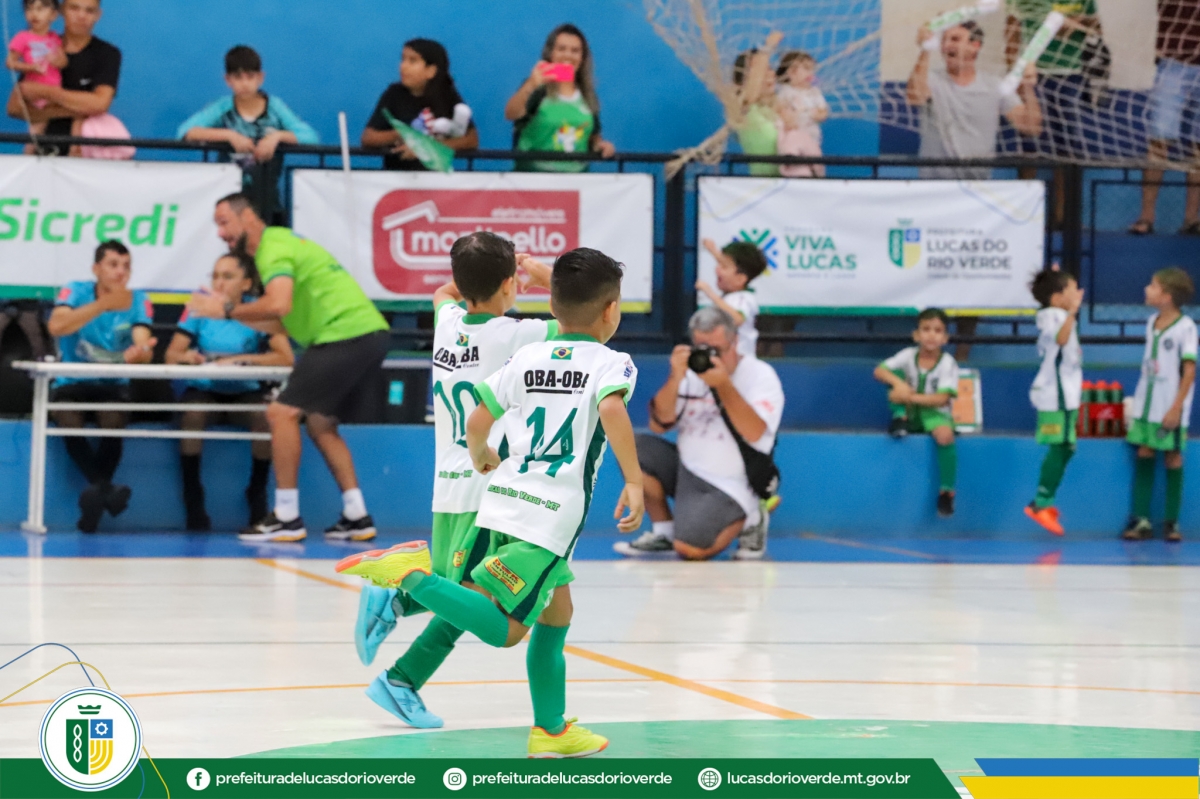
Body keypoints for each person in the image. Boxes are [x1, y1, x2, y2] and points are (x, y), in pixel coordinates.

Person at [337, 247, 642, 759]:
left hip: (494, 496)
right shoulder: (597, 358)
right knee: (506, 629)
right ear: (612, 310)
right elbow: (608, 401)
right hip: (545, 517)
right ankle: (409, 580)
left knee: (556, 612)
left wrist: (481, 452)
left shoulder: (513, 352)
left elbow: (479, 414)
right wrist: (634, 479)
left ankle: (551, 729)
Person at [349, 233, 559, 728]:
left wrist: (481, 277)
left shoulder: (448, 324)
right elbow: (583, 322)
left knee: (466, 592)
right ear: (509, 284)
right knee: (478, 598)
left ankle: (402, 674)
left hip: (448, 483)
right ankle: (397, 606)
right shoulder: (517, 334)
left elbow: (443, 293)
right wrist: (542, 274)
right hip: (488, 484)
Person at [186, 193, 390, 544]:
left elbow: (278, 304)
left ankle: (286, 516)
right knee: (320, 423)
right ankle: (357, 515)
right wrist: (227, 314)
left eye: (224, 222)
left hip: (343, 334)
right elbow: (282, 321)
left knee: (280, 413)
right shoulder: (281, 245)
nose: (220, 233)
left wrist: (227, 310)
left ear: (248, 217)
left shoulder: (271, 249)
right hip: (369, 335)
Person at [617, 306, 784, 560]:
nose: (709, 356)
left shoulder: (760, 375)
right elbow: (659, 424)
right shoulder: (692, 372)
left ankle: (752, 515)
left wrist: (724, 385)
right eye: (702, 348)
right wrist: (675, 378)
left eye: (716, 349)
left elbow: (756, 433)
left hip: (732, 482)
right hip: (687, 471)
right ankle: (664, 532)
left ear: (735, 342)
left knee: (691, 550)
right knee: (632, 448)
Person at [165, 251, 293, 531]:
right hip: (205, 389)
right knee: (192, 416)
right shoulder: (199, 307)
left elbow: (285, 357)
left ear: (246, 283)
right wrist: (188, 357)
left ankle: (256, 491)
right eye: (215, 276)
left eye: (228, 276)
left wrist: (241, 361)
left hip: (245, 391)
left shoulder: (257, 311)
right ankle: (192, 494)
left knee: (264, 419)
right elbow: (171, 354)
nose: (219, 283)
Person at [46, 240, 155, 533]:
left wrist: (141, 352)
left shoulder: (138, 299)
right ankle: (106, 490)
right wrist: (102, 305)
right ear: (96, 269)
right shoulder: (76, 290)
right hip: (73, 380)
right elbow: (57, 326)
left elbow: (143, 343)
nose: (121, 272)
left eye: (126, 266)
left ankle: (96, 498)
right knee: (66, 416)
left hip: (113, 383)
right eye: (113, 265)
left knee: (113, 418)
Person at [178, 46, 318, 221]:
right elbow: (185, 132)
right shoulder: (222, 107)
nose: (244, 83)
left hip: (268, 202)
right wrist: (229, 136)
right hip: (230, 203)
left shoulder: (275, 107)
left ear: (261, 78)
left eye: (250, 77)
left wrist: (277, 137)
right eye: (238, 77)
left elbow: (310, 137)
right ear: (227, 80)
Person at [908, 21, 1041, 179]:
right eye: (944, 40)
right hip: (934, 184)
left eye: (955, 39)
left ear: (975, 46)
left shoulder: (994, 86)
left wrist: (1027, 87)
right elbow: (914, 97)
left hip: (978, 184)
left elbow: (1031, 127)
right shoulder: (932, 79)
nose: (947, 45)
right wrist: (925, 49)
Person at [1122, 268, 1196, 542]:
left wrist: (1176, 407)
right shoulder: (1151, 321)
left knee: (1172, 456)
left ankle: (1171, 522)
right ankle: (1141, 519)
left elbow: (1189, 370)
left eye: (1153, 286)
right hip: (1146, 405)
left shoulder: (1186, 327)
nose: (1146, 289)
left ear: (1167, 296)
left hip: (1169, 406)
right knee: (1145, 451)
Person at [873, 308, 960, 517]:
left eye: (938, 331)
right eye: (926, 329)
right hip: (910, 411)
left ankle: (946, 492)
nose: (931, 335)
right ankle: (900, 418)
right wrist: (899, 385)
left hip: (935, 413)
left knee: (945, 436)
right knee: (893, 375)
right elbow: (879, 370)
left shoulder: (948, 363)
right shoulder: (908, 355)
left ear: (945, 338)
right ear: (916, 335)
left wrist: (907, 396)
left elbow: (941, 399)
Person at [6, 0, 120, 157]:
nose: (81, 16)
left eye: (89, 11)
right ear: (61, 11)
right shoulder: (41, 45)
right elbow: (15, 108)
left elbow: (100, 104)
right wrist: (79, 111)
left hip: (86, 158)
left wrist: (46, 93)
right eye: (74, 8)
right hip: (42, 154)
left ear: (98, 15)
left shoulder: (107, 53)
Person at [1128, 1, 1200, 236]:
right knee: (1159, 140)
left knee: (1198, 146)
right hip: (1173, 62)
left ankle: (1192, 219)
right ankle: (1146, 217)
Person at [505, 24, 615, 172]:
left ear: (583, 57)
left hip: (576, 180)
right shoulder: (537, 88)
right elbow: (510, 114)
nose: (568, 55)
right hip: (533, 178)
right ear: (550, 53)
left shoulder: (588, 95)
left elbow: (592, 136)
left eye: (575, 51)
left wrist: (600, 146)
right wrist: (531, 84)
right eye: (561, 49)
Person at [1024, 269, 1084, 536]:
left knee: (1067, 447)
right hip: (1055, 395)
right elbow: (1060, 339)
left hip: (1066, 393)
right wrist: (1072, 312)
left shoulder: (1058, 314)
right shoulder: (1053, 315)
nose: (1077, 293)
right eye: (1072, 289)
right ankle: (1040, 503)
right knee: (1060, 446)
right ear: (1058, 297)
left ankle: (1045, 500)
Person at [1007, 0, 1101, 164]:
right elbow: (1012, 30)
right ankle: (1028, 181)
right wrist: (1014, 74)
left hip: (1071, 75)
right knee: (1031, 141)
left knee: (1068, 141)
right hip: (1034, 73)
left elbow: (1097, 26)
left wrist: (1077, 22)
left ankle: (1064, 181)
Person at [362, 38, 478, 171]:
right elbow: (368, 138)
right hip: (396, 176)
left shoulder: (447, 95)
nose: (403, 66)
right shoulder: (393, 94)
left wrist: (426, 147)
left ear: (431, 71)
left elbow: (471, 140)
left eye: (412, 61)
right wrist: (404, 133)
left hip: (436, 179)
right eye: (403, 59)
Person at [7, 0, 68, 152]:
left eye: (40, 9)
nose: (34, 14)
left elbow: (63, 62)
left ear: (53, 15)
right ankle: (29, 155)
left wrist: (57, 60)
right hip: (35, 88)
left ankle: (73, 150)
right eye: (29, 9)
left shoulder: (54, 38)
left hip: (54, 88)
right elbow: (10, 62)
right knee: (38, 126)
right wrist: (30, 67)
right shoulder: (23, 37)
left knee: (61, 119)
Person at [697, 238, 768, 359]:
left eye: (723, 266)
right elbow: (731, 266)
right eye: (719, 264)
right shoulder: (733, 293)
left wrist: (710, 293)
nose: (717, 269)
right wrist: (713, 251)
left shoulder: (743, 299)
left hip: (740, 362)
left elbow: (737, 319)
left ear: (740, 279)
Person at [731, 32, 783, 177]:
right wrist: (768, 48)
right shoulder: (743, 108)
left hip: (797, 184)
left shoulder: (781, 107)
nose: (769, 74)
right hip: (764, 186)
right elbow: (751, 94)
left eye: (770, 68)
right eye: (761, 70)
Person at [775, 50, 828, 178]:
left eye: (811, 69)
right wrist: (787, 119)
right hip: (793, 135)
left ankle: (817, 173)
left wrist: (819, 115)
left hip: (812, 137)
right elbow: (779, 109)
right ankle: (791, 165)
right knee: (794, 155)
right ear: (791, 73)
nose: (810, 73)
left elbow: (823, 111)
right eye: (806, 69)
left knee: (813, 158)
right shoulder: (786, 92)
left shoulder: (814, 92)